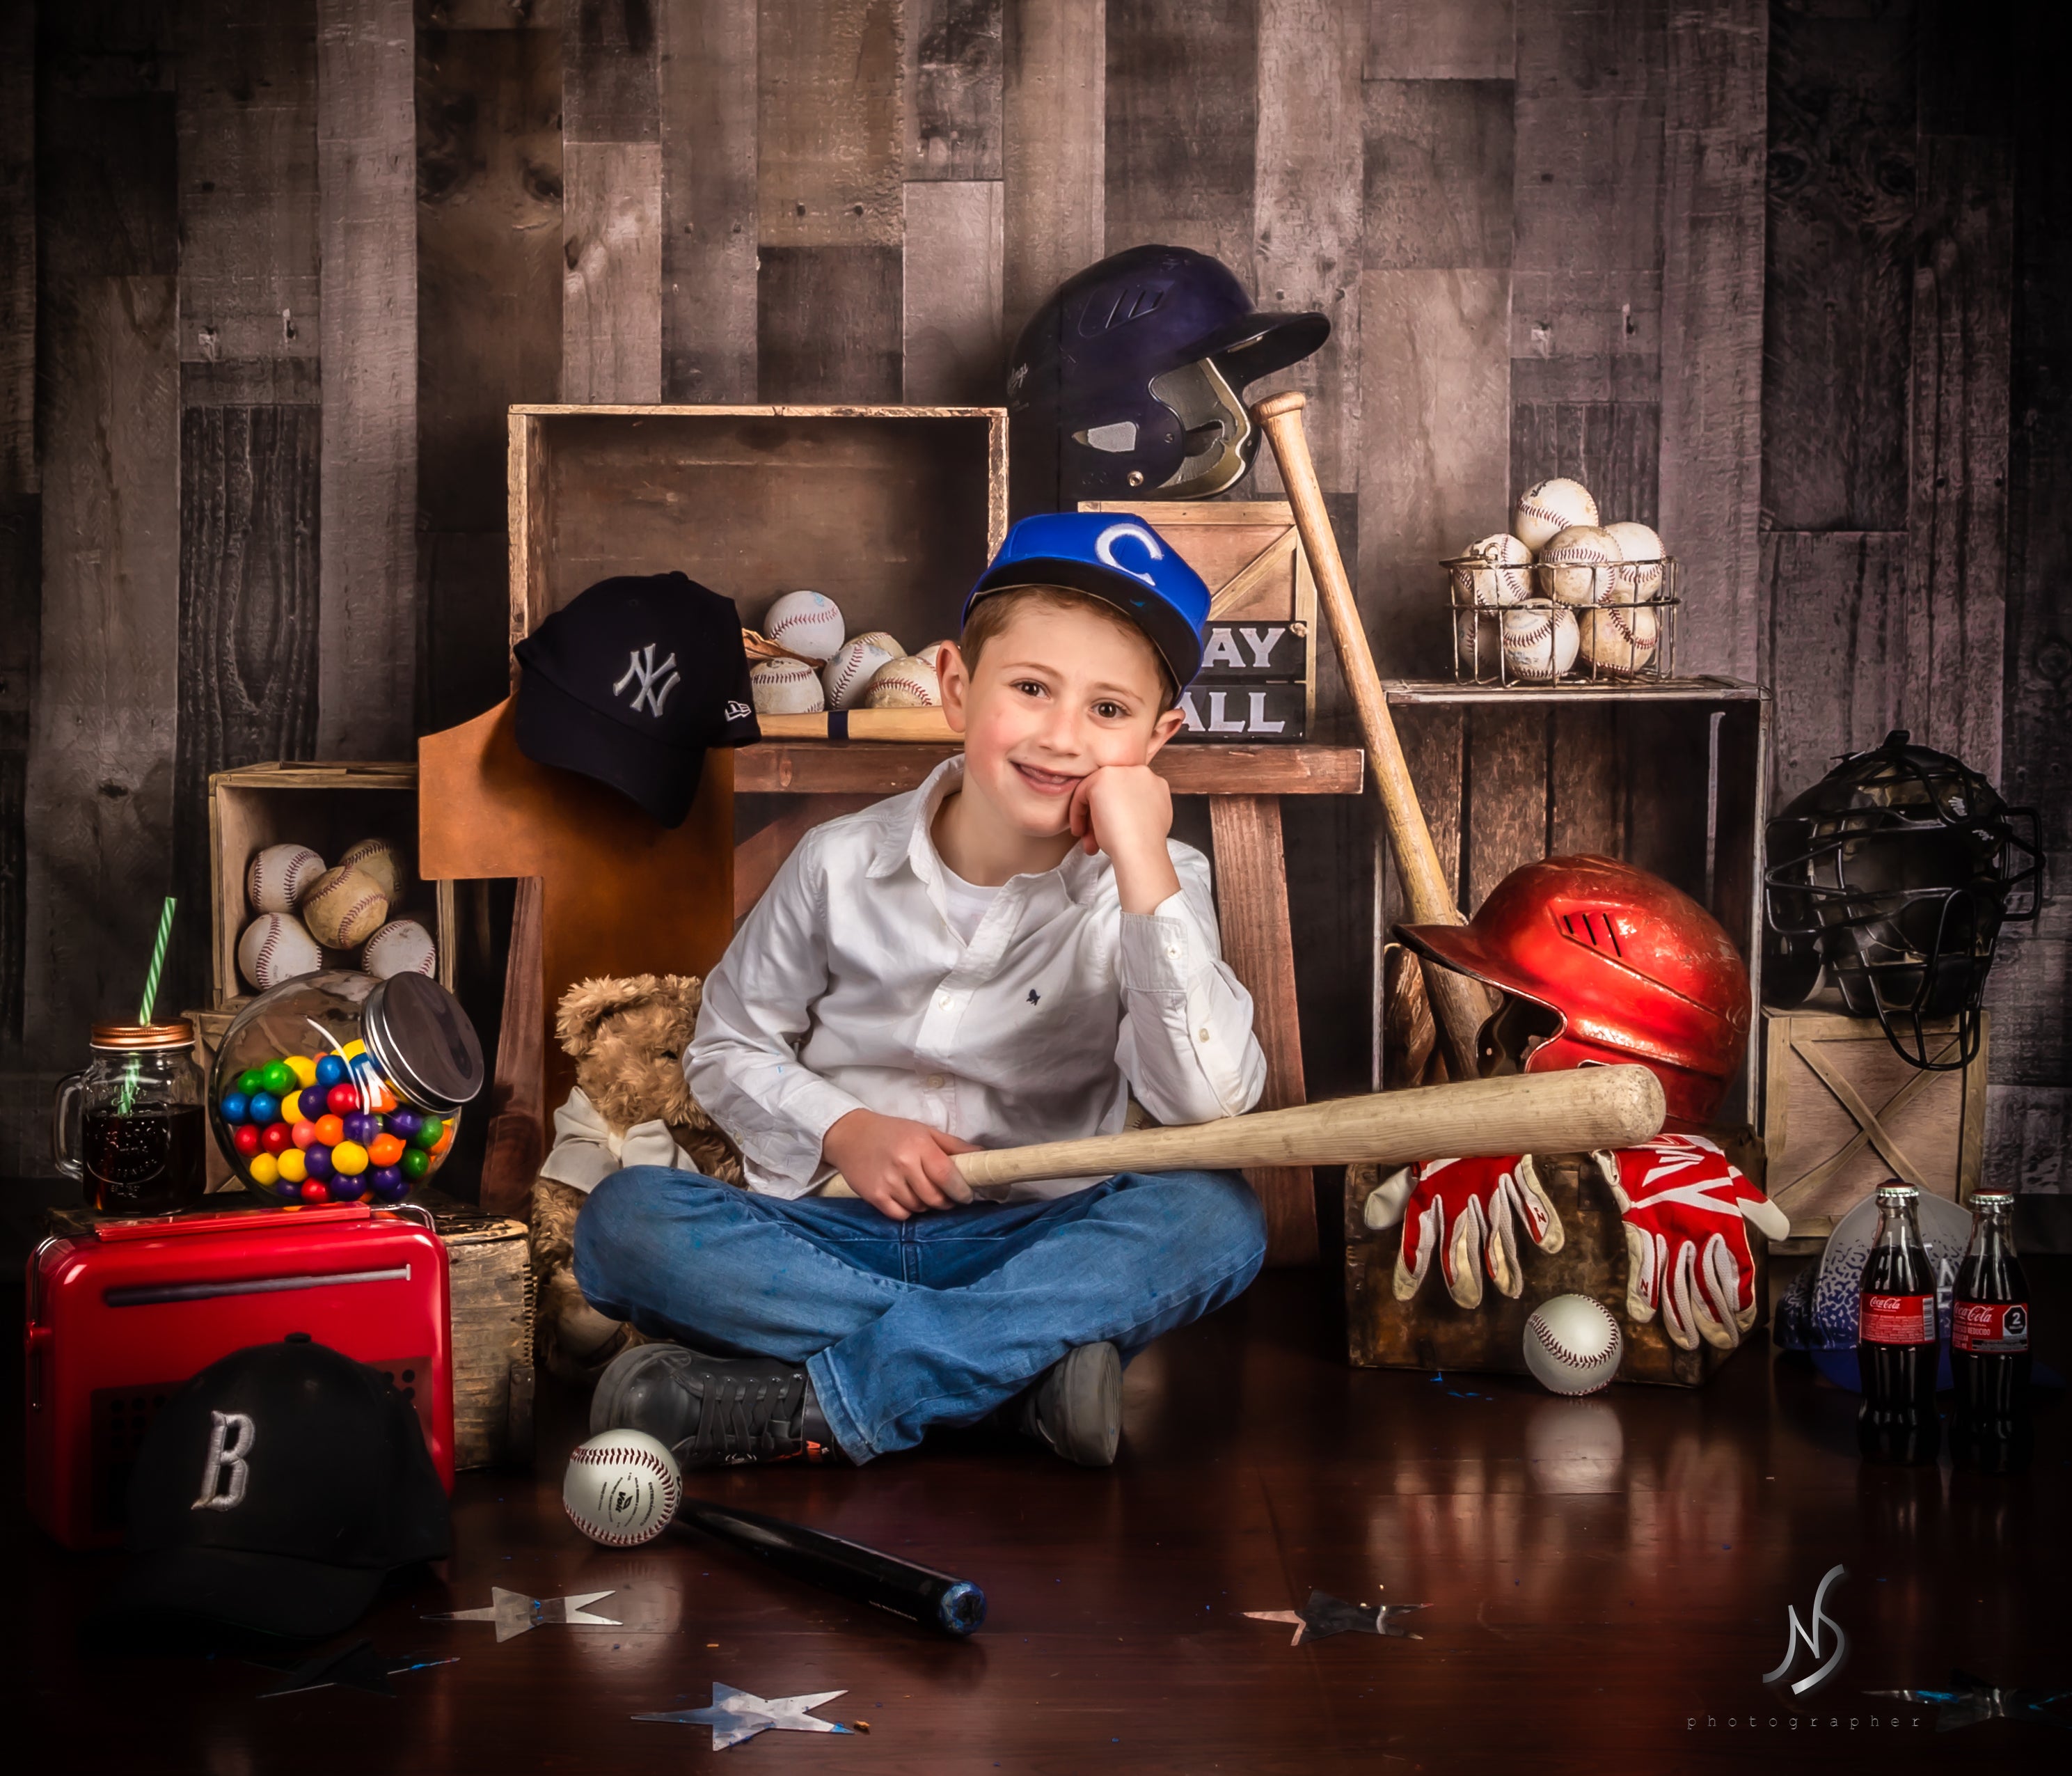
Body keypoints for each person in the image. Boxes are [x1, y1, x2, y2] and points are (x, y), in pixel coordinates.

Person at [574, 512, 1270, 1470]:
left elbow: (1212, 1104)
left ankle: (823, 1400)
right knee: (625, 1226)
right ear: (955, 686)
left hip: (1041, 1242)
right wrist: (842, 1128)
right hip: (830, 1237)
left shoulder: (1155, 886)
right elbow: (727, 1048)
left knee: (1214, 1219)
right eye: (1030, 688)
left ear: (1159, 737)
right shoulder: (836, 864)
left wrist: (1143, 856)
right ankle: (1010, 1382)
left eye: (1108, 712)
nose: (1062, 737)